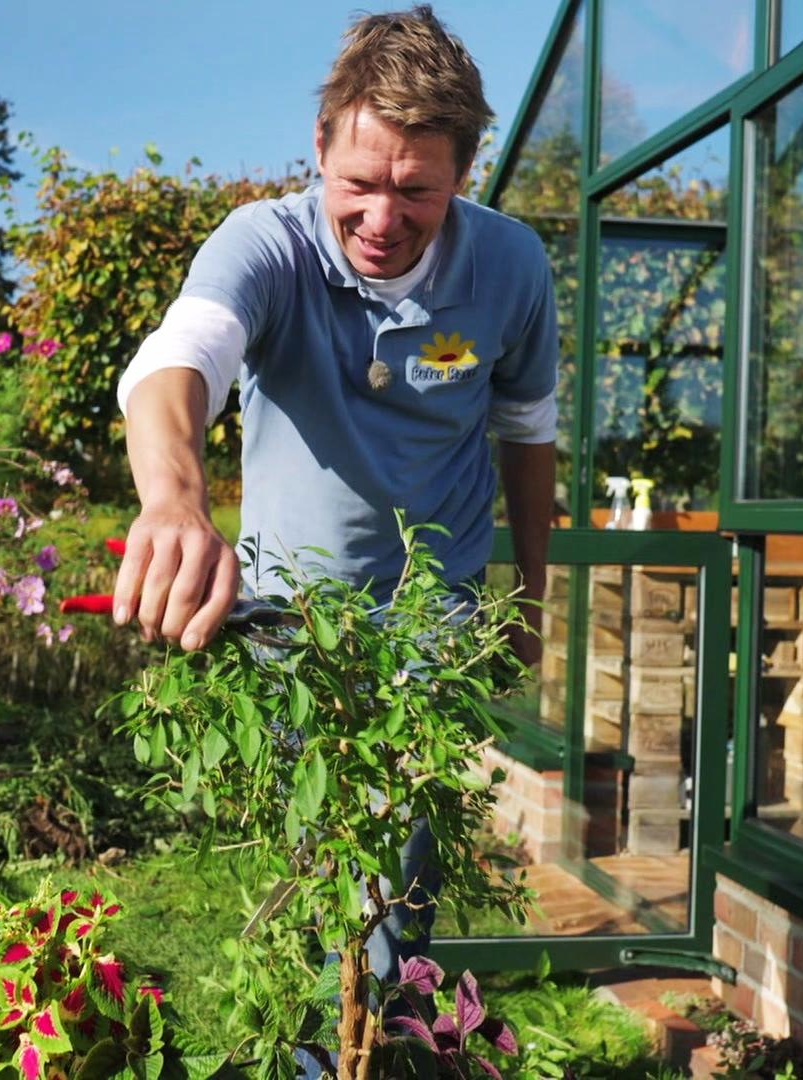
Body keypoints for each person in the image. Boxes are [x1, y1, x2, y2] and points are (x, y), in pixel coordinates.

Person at [106, 8, 557, 1071]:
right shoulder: (266, 244)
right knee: (315, 861)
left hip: (433, 614)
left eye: (416, 191)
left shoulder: (510, 267)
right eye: (359, 181)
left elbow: (527, 435)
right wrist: (174, 497)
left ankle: (380, 1051)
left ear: (463, 174)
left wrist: (532, 600)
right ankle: (332, 1053)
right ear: (320, 146)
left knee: (402, 871)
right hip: (288, 619)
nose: (381, 217)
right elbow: (180, 359)